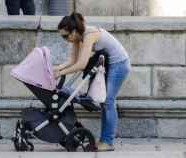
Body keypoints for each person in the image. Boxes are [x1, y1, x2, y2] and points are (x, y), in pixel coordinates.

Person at [54, 12, 131, 151]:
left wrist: (60, 73)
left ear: (75, 31)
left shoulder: (89, 35)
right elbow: (73, 61)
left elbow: (81, 65)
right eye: (62, 37)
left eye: (66, 36)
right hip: (109, 65)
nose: (65, 39)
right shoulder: (78, 38)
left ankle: (107, 142)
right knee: (104, 103)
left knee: (108, 102)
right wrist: (57, 69)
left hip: (119, 64)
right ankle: (103, 140)